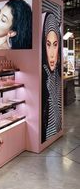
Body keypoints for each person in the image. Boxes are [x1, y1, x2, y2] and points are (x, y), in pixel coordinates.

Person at [42, 12, 62, 142]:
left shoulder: (56, 78)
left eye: (55, 45)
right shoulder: (43, 80)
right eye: (48, 45)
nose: (52, 55)